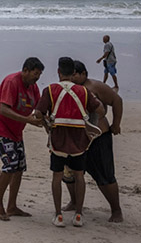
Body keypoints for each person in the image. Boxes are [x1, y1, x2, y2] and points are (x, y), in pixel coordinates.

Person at [33, 57, 103, 228]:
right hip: (79, 141)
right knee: (79, 176)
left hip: (58, 140)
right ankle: (78, 215)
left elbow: (38, 113)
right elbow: (100, 109)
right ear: (73, 73)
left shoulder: (50, 90)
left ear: (58, 71)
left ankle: (58, 215)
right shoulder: (83, 91)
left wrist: (47, 124)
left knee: (57, 177)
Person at [64, 61, 124, 223]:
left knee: (105, 176)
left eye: (76, 73)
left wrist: (116, 124)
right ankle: (74, 201)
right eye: (71, 73)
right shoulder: (67, 88)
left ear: (84, 74)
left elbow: (117, 101)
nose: (73, 76)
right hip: (75, 138)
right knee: (70, 173)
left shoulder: (95, 87)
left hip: (98, 138)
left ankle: (116, 210)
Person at [0, 57, 45, 221]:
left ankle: (12, 206)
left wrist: (47, 126)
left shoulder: (33, 87)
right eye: (35, 74)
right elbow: (3, 109)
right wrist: (28, 120)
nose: (37, 78)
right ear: (25, 70)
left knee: (20, 166)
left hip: (17, 130)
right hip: (1, 128)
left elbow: (39, 109)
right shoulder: (12, 82)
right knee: (10, 164)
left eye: (39, 75)